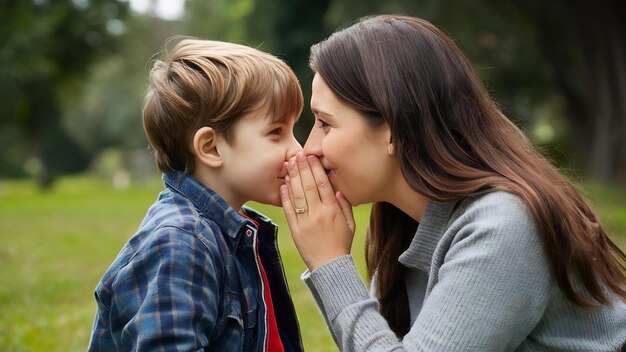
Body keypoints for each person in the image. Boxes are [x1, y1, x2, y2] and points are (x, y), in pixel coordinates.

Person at [280, 15, 626, 351]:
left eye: (326, 123)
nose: (310, 149)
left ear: (393, 129)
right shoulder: (408, 222)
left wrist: (329, 262)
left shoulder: (502, 226)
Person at [88, 38, 304, 351]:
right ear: (211, 147)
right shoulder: (180, 244)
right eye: (276, 133)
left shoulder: (229, 232)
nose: (297, 150)